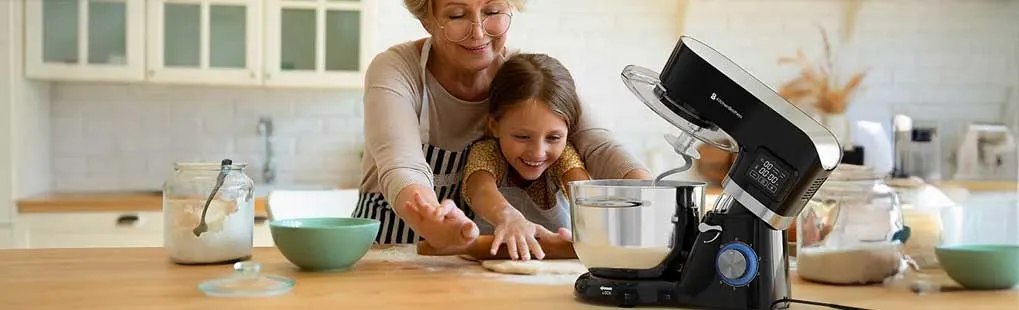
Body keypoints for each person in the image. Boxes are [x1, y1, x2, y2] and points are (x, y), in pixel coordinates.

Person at [354, 0, 651, 250]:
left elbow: (598, 144)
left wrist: (654, 197)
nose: (478, 32)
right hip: (390, 247)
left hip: (469, 250)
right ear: (427, 20)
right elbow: (402, 164)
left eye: (493, 12)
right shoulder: (396, 69)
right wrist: (432, 219)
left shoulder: (525, 78)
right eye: (457, 15)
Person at [461, 53, 589, 260]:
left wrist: (592, 226)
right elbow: (480, 190)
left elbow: (585, 193)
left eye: (554, 137)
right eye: (522, 136)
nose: (538, 152)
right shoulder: (487, 153)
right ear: (494, 126)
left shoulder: (563, 157)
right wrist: (508, 218)